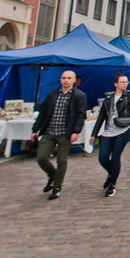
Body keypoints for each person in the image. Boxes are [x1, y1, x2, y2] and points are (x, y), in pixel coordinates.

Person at [28, 71, 87, 200]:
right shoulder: (52, 95)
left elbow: (80, 115)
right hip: (50, 131)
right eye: (64, 78)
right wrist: (35, 129)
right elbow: (42, 113)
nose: (66, 80)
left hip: (65, 133)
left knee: (62, 160)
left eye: (69, 78)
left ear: (74, 80)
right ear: (60, 80)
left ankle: (57, 187)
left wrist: (76, 131)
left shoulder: (79, 96)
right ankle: (53, 175)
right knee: (41, 157)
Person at [91, 73, 130, 197]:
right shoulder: (108, 98)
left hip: (123, 129)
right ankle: (112, 173)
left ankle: (112, 184)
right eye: (122, 82)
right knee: (103, 157)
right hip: (108, 131)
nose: (125, 84)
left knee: (116, 156)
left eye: (126, 82)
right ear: (115, 84)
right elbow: (101, 117)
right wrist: (93, 134)